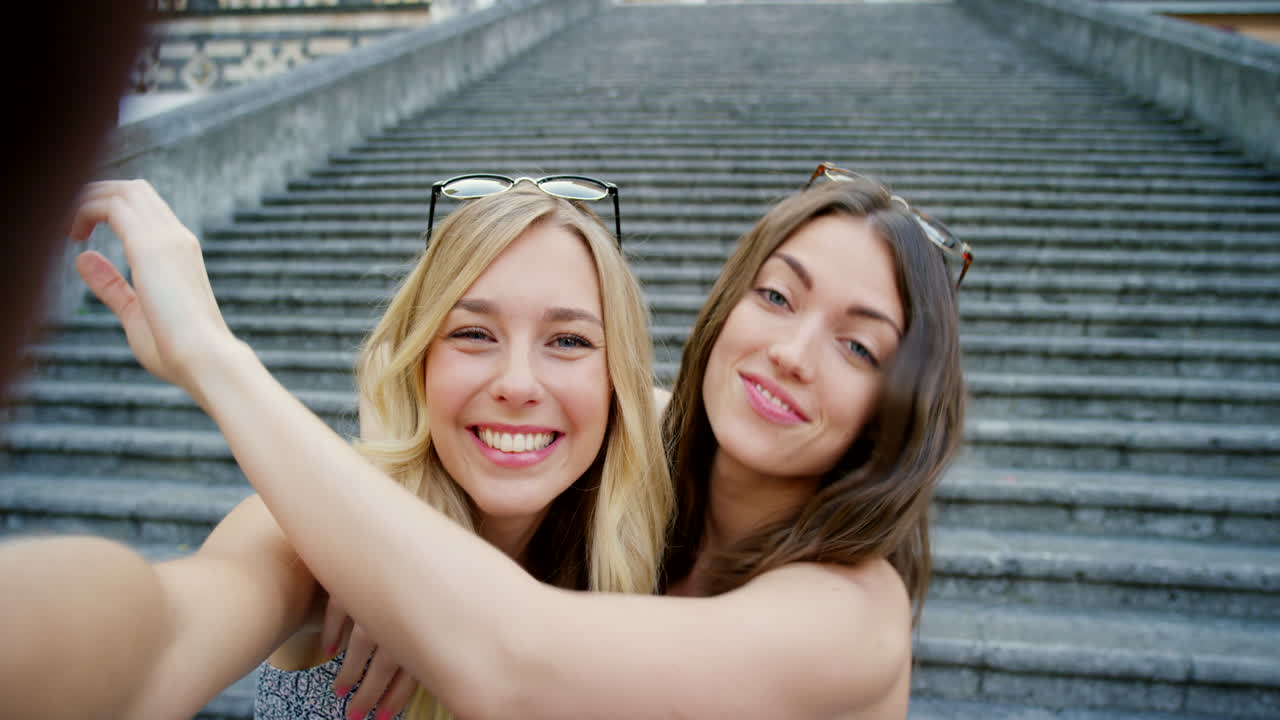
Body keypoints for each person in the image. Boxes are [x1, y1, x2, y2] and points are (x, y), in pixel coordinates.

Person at [52, 162, 966, 718]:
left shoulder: (848, 612)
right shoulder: (315, 540)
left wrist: (214, 357)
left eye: (859, 344)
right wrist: (402, 547)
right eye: (776, 295)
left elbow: (509, 654)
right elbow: (166, 631)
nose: (792, 352)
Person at [28, 176, 671, 720]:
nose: (518, 384)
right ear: (418, 361)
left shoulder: (662, 544)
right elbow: (170, 631)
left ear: (622, 381)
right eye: (473, 333)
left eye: (569, 342)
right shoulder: (322, 536)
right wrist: (206, 351)